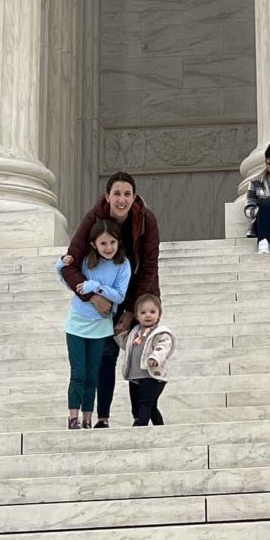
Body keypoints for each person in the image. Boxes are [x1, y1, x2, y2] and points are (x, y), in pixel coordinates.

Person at [63, 173, 162, 426]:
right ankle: (103, 417)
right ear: (107, 196)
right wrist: (92, 297)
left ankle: (141, 416)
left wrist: (132, 311)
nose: (122, 200)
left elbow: (148, 268)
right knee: (106, 354)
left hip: (138, 295)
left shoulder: (146, 221)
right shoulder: (94, 219)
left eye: (127, 194)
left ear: (134, 196)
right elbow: (70, 265)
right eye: (116, 194)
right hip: (104, 297)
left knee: (142, 354)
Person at [59, 215, 131, 429]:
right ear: (93, 244)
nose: (108, 247)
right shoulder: (86, 261)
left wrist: (95, 287)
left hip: (101, 327)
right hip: (77, 324)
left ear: (119, 242)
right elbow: (66, 277)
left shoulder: (123, 264)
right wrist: (59, 264)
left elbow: (119, 296)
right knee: (78, 373)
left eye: (112, 242)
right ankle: (73, 417)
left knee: (92, 375)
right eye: (103, 243)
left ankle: (88, 418)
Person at [119, 292, 175, 426]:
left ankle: (140, 425)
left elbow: (163, 346)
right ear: (137, 316)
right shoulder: (135, 332)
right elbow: (126, 345)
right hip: (136, 376)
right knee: (149, 405)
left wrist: (155, 357)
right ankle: (158, 427)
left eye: (152, 311)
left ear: (159, 315)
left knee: (145, 402)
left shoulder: (160, 332)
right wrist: (119, 334)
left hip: (153, 376)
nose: (148, 315)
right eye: (143, 312)